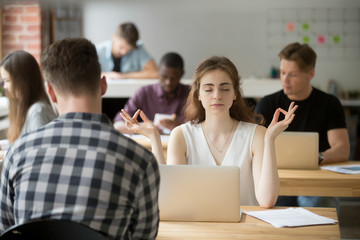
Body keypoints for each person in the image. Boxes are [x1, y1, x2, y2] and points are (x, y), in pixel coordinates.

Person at [0, 38, 160, 239]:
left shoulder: (17, 154)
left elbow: (5, 231)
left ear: (51, 92)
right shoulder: (140, 160)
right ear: (103, 85)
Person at [120, 56, 298, 208]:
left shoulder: (257, 134)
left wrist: (270, 139)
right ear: (198, 94)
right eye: (208, 89)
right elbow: (170, 197)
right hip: (198, 229)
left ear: (235, 93)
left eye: (225, 88)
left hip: (246, 231)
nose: (217, 95)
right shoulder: (182, 135)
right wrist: (154, 139)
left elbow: (267, 200)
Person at [255, 42, 350, 207]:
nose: (285, 79)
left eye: (293, 74)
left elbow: (342, 149)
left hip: (316, 180)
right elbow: (254, 148)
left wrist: (317, 157)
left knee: (319, 204)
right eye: (283, 73)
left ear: (310, 73)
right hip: (278, 180)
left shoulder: (329, 103)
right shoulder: (267, 103)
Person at [113, 52, 190, 134]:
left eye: (173, 78)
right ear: (158, 72)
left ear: (181, 74)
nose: (168, 82)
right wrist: (143, 127)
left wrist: (179, 127)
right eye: (164, 77)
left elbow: (199, 128)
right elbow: (118, 125)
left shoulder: (190, 94)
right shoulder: (144, 93)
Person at [0, 50, 57, 158]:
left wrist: (4, 154)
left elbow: (38, 152)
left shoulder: (38, 111)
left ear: (22, 81)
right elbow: (24, 141)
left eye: (7, 80)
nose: (5, 87)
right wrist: (2, 145)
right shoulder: (32, 109)